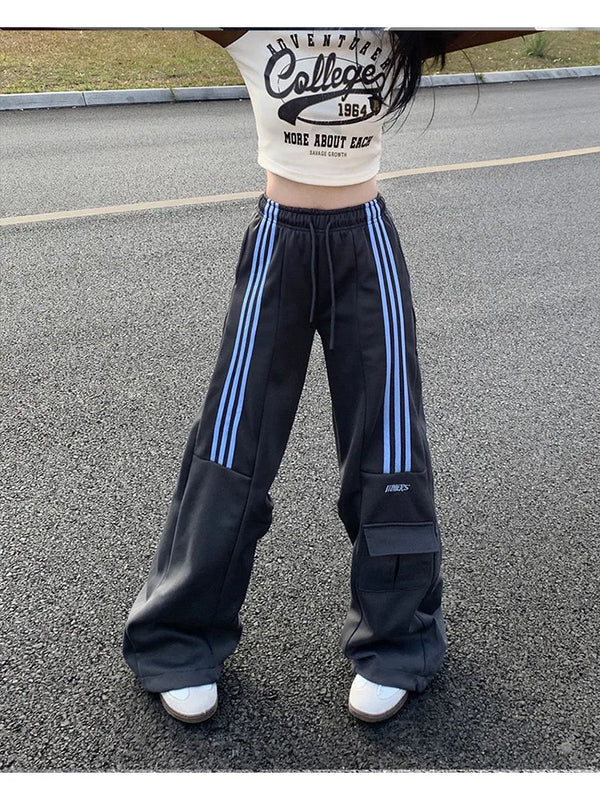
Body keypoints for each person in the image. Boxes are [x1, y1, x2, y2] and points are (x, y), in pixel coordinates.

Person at [123, 27, 528, 724]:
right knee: (231, 444)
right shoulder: (249, 24)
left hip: (365, 244)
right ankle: (179, 638)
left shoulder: (398, 27)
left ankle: (397, 641)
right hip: (277, 243)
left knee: (390, 448)